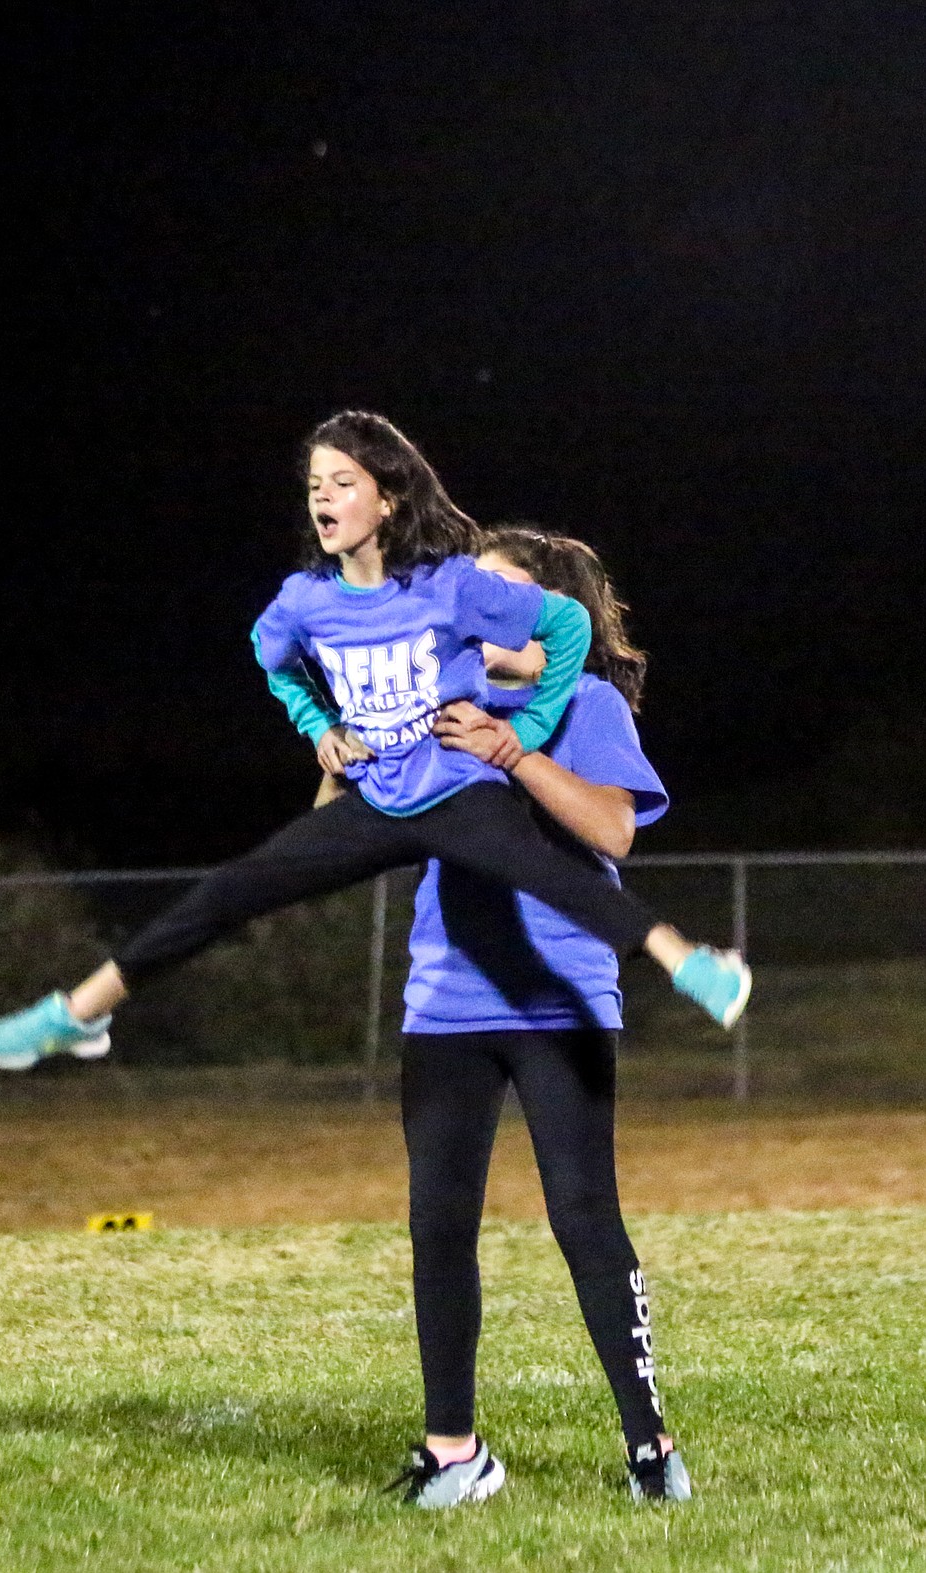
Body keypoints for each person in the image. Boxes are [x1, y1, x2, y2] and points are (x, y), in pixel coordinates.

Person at [0, 412, 748, 1082]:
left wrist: (527, 732)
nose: (322, 496)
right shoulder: (302, 602)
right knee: (233, 891)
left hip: (453, 787)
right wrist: (321, 729)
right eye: (315, 482)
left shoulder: (451, 585)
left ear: (390, 498)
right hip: (378, 797)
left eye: (343, 481)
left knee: (551, 874)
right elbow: (272, 662)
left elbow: (569, 628)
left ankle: (692, 965)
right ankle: (77, 1013)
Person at [386, 527, 692, 1509]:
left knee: (582, 1213)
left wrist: (512, 751)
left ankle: (650, 1445)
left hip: (558, 995)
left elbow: (611, 829)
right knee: (439, 1224)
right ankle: (454, 1452)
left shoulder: (589, 704)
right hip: (446, 999)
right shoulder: (436, 703)